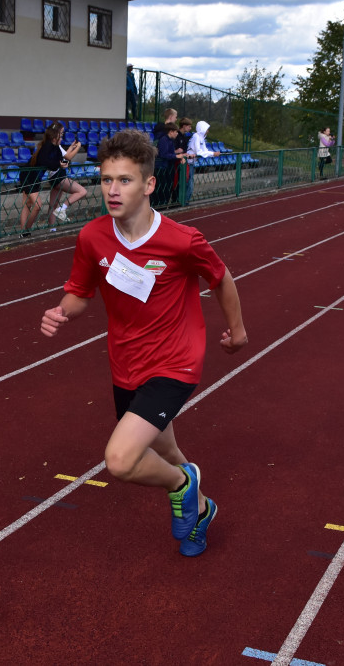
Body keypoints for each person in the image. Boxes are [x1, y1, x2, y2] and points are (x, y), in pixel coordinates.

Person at [40, 129, 248, 557]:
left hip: (175, 361)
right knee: (165, 448)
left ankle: (183, 485)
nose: (112, 191)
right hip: (126, 363)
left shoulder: (181, 240)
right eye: (105, 180)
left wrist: (238, 330)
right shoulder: (93, 237)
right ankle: (202, 509)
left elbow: (221, 278)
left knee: (120, 459)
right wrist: (61, 311)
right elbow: (80, 293)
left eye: (125, 180)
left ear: (149, 184)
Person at [153, 123, 185, 207]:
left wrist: (179, 157)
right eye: (176, 132)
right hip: (160, 167)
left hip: (166, 167)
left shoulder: (170, 140)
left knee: (167, 186)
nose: (177, 134)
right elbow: (163, 154)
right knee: (162, 186)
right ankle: (160, 204)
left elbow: (170, 152)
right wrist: (176, 156)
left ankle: (164, 203)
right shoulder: (164, 140)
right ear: (170, 132)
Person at [175, 117, 196, 204]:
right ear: (184, 126)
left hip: (182, 161)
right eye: (189, 126)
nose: (190, 129)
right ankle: (177, 201)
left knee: (184, 180)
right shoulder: (177, 136)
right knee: (177, 182)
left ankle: (180, 200)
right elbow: (176, 150)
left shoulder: (184, 137)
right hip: (176, 162)